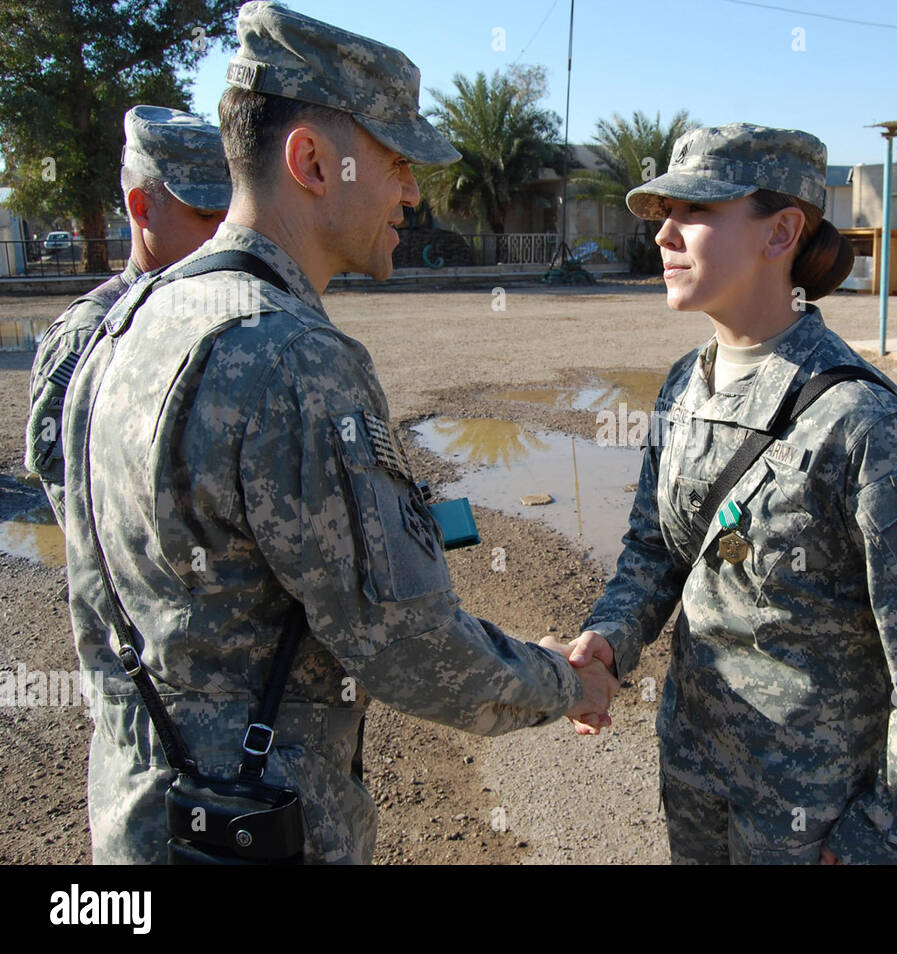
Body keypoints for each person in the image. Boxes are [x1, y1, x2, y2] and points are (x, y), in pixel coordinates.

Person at [60, 0, 617, 864]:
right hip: (263, 830)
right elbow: (405, 644)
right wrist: (563, 681)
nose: (413, 192)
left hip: (143, 819)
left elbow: (95, 604)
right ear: (312, 161)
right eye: (395, 162)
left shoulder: (122, 322)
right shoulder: (294, 357)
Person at [555, 123, 897, 864]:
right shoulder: (681, 387)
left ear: (781, 230)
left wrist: (875, 835)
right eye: (663, 213)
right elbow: (655, 552)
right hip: (694, 765)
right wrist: (609, 640)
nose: (664, 234)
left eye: (695, 211)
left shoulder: (864, 424)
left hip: (807, 809)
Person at [26, 105, 231, 527]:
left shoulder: (220, 312)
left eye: (232, 216)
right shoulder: (87, 335)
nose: (224, 235)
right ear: (141, 207)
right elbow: (87, 522)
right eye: (207, 215)